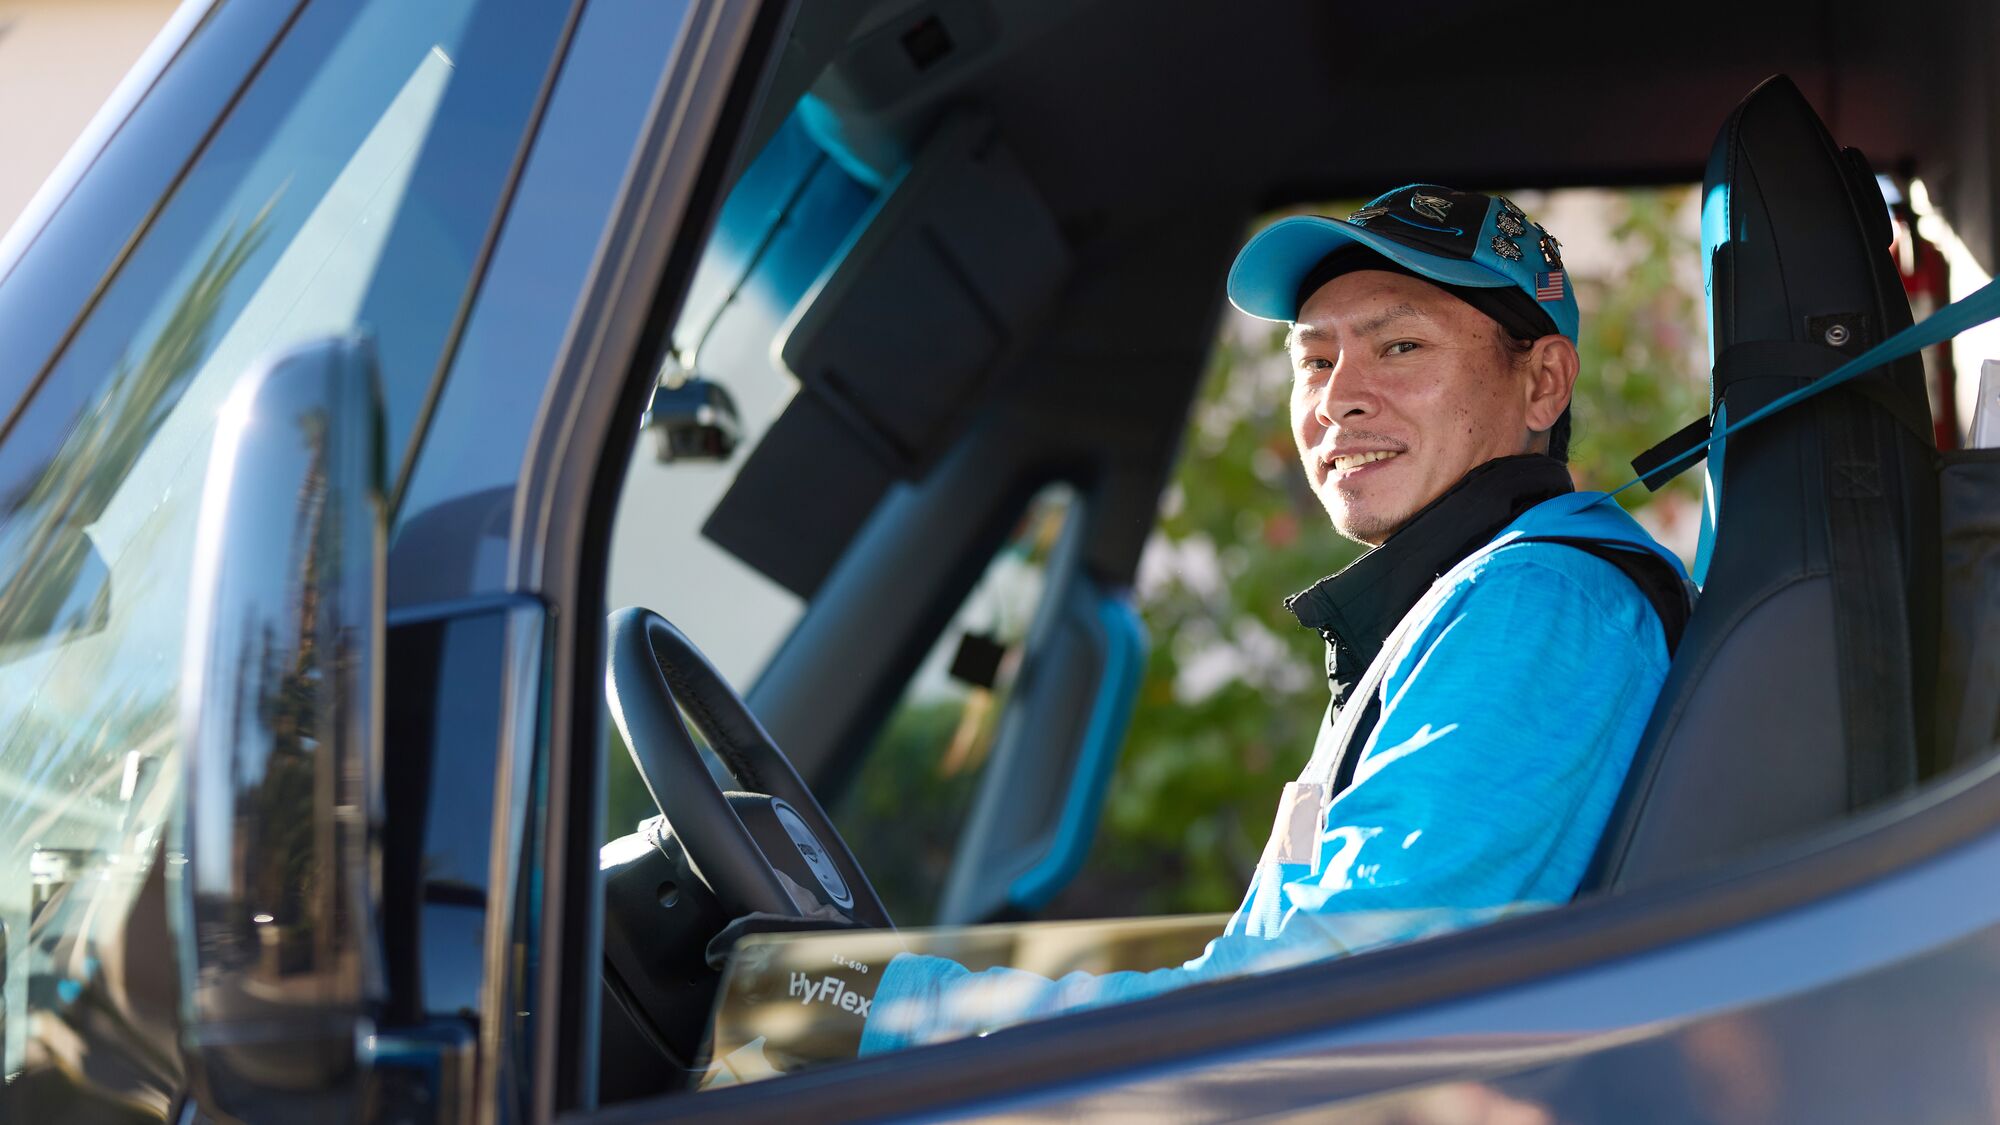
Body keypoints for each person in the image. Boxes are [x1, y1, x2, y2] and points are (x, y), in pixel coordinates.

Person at [716, 185, 1691, 1068]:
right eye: (1313, 358)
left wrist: (870, 1008)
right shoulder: (1471, 599)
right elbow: (1290, 966)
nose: (1336, 396)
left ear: (1541, 384)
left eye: (1399, 347)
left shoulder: (1537, 607)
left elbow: (1326, 1002)